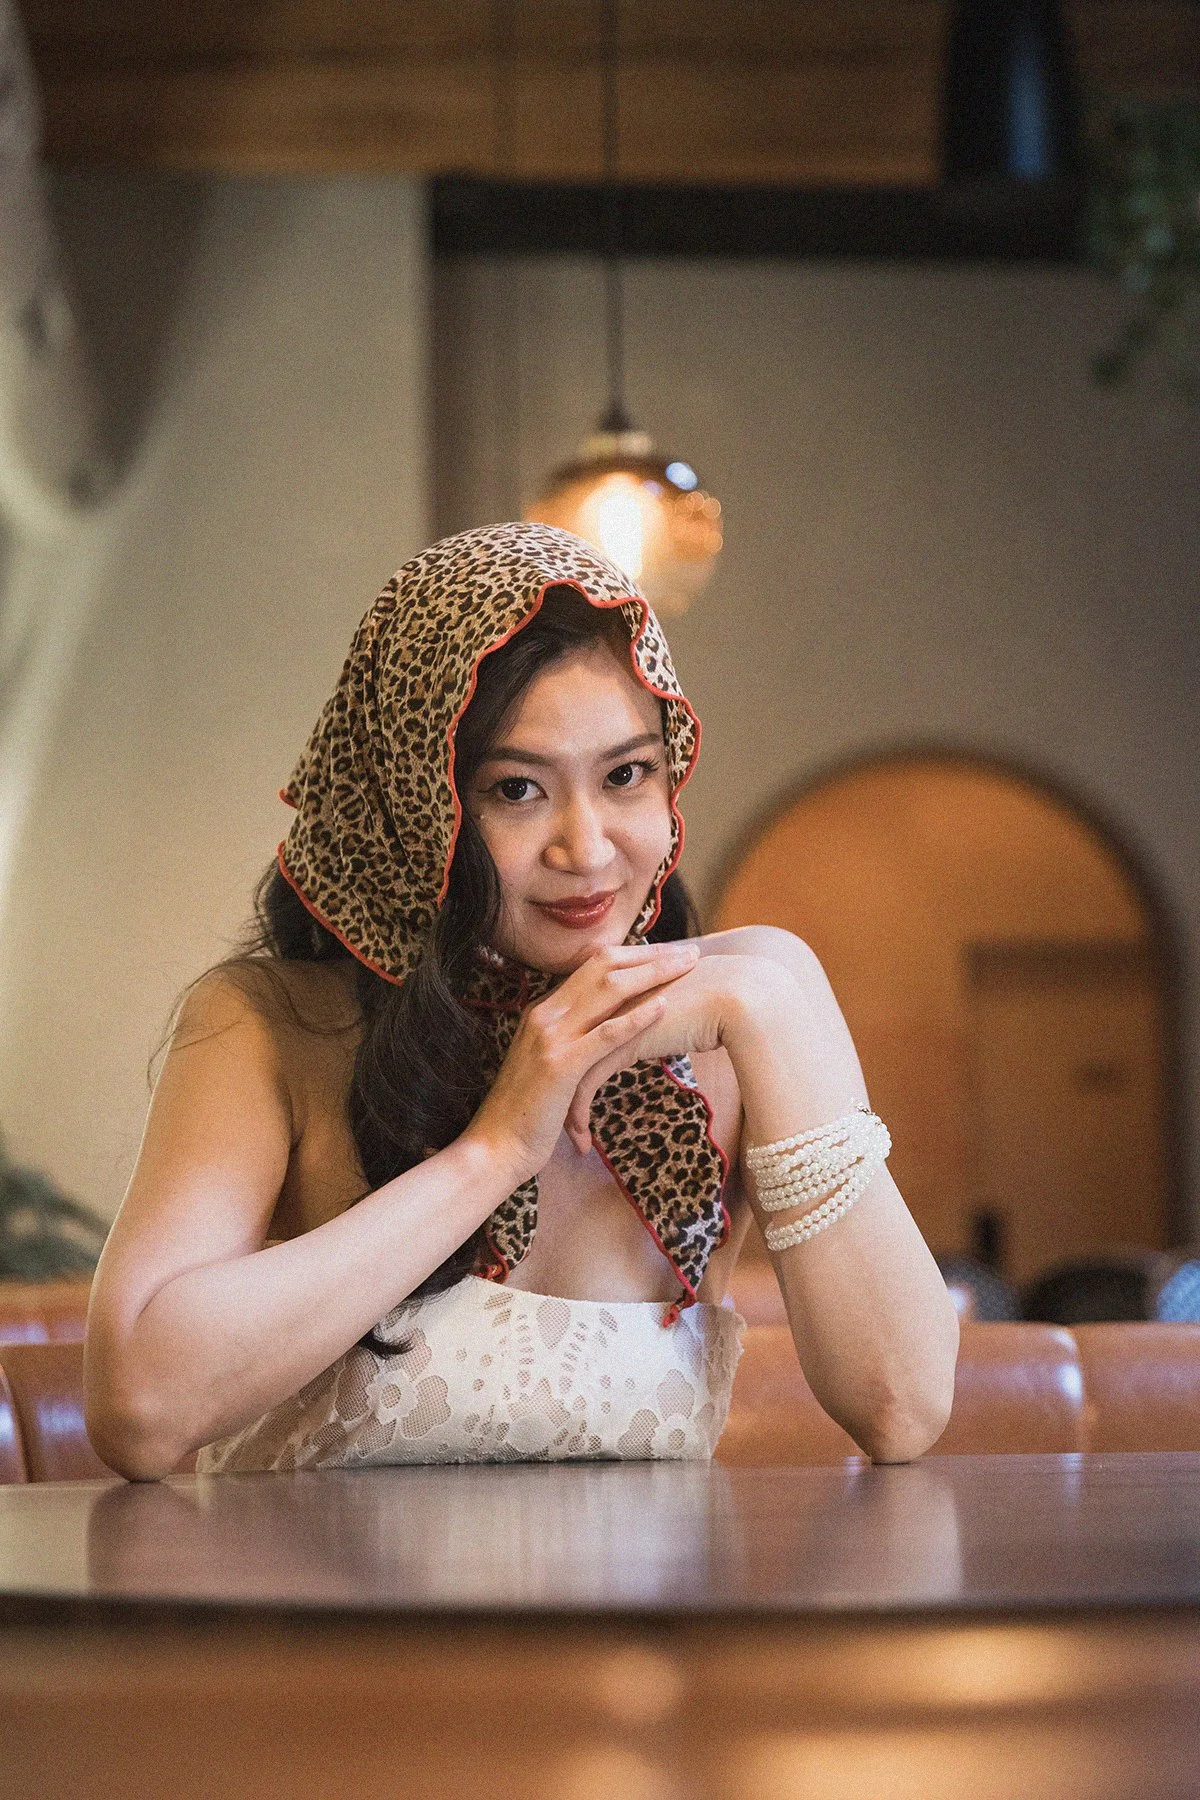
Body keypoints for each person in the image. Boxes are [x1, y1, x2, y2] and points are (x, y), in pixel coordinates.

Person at [85, 523, 958, 1480]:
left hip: (646, 1636)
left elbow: (901, 1407)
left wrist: (773, 1007)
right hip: (319, 1633)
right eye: (515, 790)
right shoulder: (268, 1023)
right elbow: (141, 1410)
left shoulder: (737, 1014)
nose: (586, 849)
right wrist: (497, 1148)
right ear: (418, 803)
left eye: (626, 775)